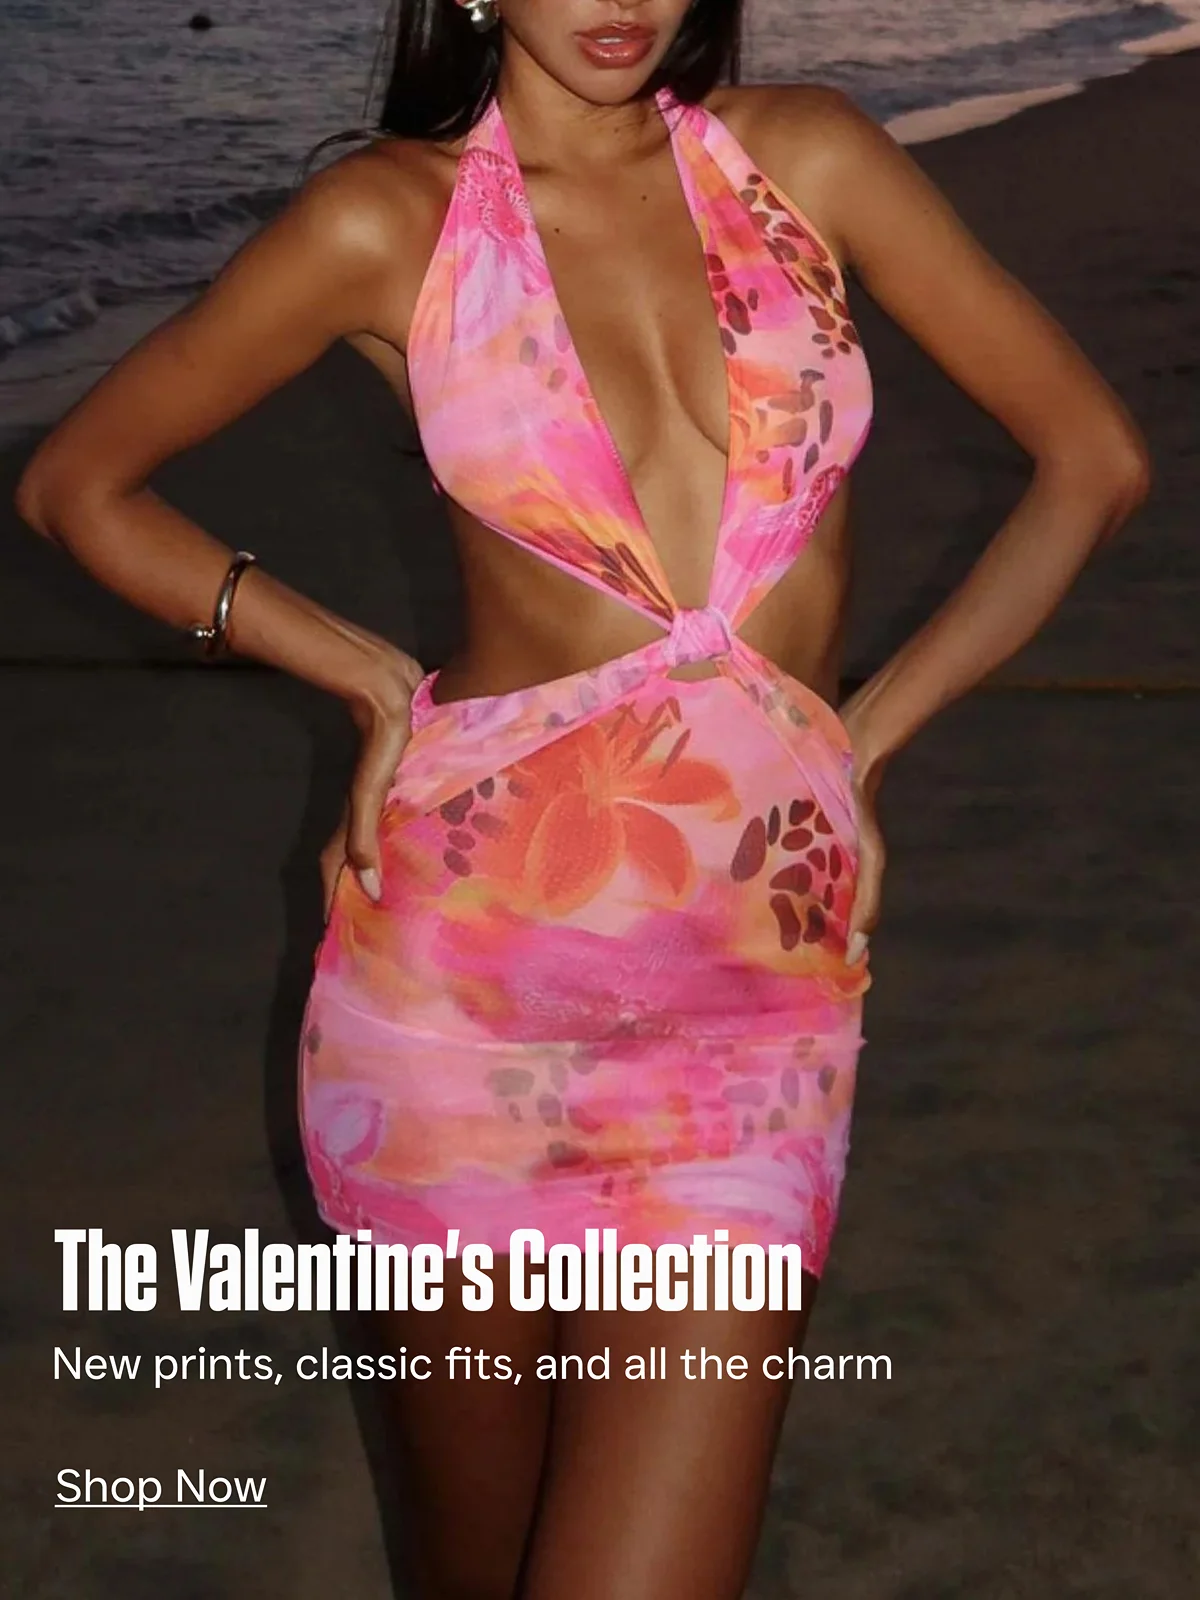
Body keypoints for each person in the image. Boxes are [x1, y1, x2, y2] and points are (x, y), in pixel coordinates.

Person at [15, 2, 1150, 1596]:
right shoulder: (383, 221)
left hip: (752, 1024)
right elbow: (78, 485)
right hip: (461, 1004)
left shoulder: (810, 158)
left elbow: (1093, 459)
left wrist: (863, 740)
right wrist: (356, 671)